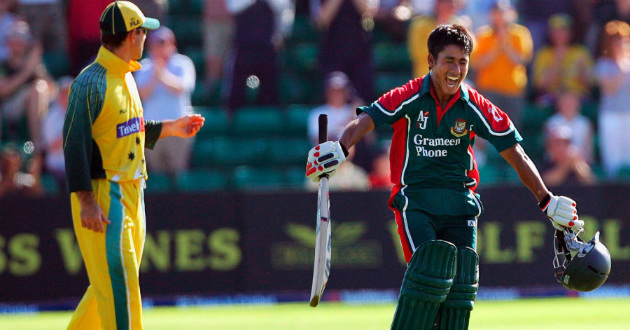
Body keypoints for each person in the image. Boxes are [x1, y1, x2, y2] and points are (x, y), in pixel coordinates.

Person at [305, 24, 583, 330]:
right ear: (430, 61)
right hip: (416, 204)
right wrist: (340, 148)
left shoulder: (473, 103)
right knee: (429, 275)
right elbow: (368, 118)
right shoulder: (410, 95)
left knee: (461, 291)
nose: (456, 70)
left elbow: (515, 152)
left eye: (463, 62)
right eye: (449, 61)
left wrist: (547, 200)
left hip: (461, 206)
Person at [62, 2, 204, 330]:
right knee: (121, 285)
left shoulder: (126, 73)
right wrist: (86, 201)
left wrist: (170, 128)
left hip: (132, 193)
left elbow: (128, 127)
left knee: (110, 287)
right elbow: (74, 144)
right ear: (132, 35)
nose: (146, 38)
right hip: (104, 195)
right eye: (143, 31)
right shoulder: (91, 82)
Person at [135, 26, 196, 177]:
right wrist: (155, 77)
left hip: (178, 128)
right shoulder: (144, 66)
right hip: (153, 130)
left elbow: (181, 87)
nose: (159, 47)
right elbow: (141, 94)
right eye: (156, 43)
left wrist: (161, 74)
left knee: (179, 172)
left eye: (163, 43)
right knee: (156, 174)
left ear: (172, 43)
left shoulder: (183, 63)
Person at [223, 0, 294, 112]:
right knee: (235, 99)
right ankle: (231, 120)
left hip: (268, 47)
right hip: (243, 46)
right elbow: (232, 7)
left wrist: (282, 33)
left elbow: (285, 8)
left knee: (270, 94)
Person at [472, 0, 532, 126]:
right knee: (488, 128)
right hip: (489, 90)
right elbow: (478, 63)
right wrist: (498, 46)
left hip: (513, 91)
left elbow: (521, 61)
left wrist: (506, 44)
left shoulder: (520, 33)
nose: (500, 16)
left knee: (512, 130)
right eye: (496, 12)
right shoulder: (484, 34)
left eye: (503, 12)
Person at [0, 20, 53, 150]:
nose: (18, 44)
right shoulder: (4, 64)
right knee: (35, 91)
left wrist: (37, 71)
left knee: (38, 89)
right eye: (14, 39)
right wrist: (27, 71)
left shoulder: (35, 65)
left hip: (34, 107)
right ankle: (35, 144)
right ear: (8, 42)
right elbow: (3, 90)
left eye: (21, 40)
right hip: (6, 107)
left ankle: (39, 147)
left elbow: (53, 90)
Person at [311, 0, 376, 102]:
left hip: (360, 54)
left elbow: (370, 13)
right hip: (332, 55)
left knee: (361, 102)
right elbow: (322, 20)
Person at [594, 20, 630, 178]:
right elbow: (610, 88)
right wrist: (623, 66)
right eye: (616, 41)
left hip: (628, 114)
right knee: (613, 161)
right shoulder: (603, 65)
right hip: (611, 115)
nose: (620, 45)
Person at [532, 14, 593, 106]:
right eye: (556, 31)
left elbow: (591, 82)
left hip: (577, 96)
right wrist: (556, 63)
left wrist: (581, 73)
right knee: (542, 103)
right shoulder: (544, 54)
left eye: (563, 30)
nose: (559, 34)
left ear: (570, 32)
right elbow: (539, 84)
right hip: (552, 97)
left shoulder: (580, 53)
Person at [408, 0, 471, 79]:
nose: (448, 6)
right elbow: (417, 53)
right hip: (427, 78)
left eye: (451, 3)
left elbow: (471, 55)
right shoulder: (420, 24)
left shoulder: (459, 25)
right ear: (436, 4)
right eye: (444, 2)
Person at [543, 90, 594, 163]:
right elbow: (549, 151)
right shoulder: (552, 122)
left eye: (572, 101)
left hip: (579, 163)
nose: (569, 105)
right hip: (557, 163)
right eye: (565, 102)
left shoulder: (585, 123)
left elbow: (588, 151)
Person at [42, 76, 73, 191]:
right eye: (64, 93)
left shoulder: (81, 113)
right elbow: (52, 145)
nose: (68, 96)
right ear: (59, 95)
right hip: (57, 169)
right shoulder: (51, 117)